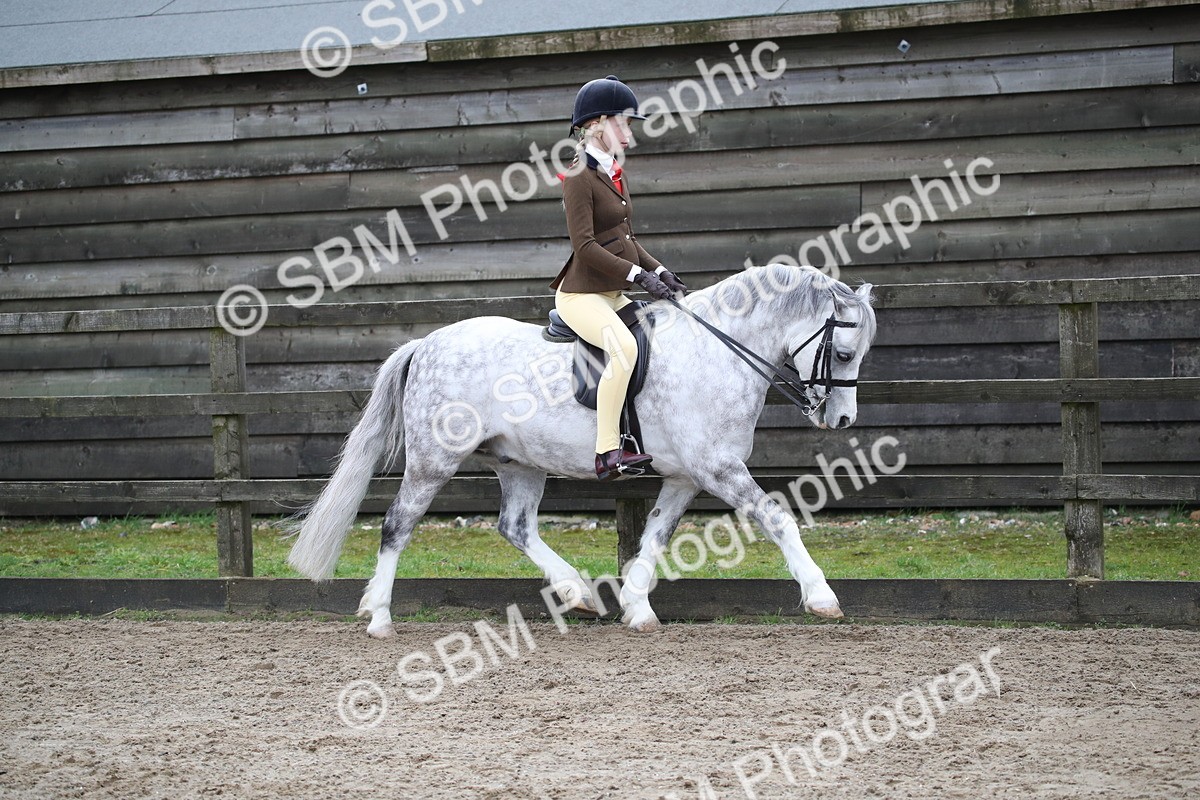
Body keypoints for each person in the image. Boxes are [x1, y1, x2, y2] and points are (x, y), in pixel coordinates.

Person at [548, 75, 689, 481]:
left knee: (657, 337)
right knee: (624, 349)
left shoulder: (614, 173)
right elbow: (587, 246)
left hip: (611, 294)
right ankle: (608, 452)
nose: (628, 135)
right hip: (581, 297)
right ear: (597, 124)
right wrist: (639, 276)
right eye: (623, 124)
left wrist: (660, 271)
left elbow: (625, 238)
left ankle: (641, 434)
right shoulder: (578, 177)